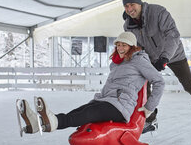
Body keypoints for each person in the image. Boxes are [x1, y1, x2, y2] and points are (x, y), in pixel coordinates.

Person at [17, 32, 164, 134]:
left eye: (124, 45)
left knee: (87, 113)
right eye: (118, 45)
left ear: (132, 46)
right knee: (78, 112)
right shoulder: (116, 64)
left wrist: (149, 107)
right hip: (105, 100)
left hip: (120, 106)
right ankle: (38, 124)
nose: (120, 48)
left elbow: (159, 81)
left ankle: (51, 122)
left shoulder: (139, 60)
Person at [122, 0, 191, 133]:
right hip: (151, 58)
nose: (129, 9)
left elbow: (173, 34)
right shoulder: (128, 25)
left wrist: (165, 57)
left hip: (174, 54)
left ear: (139, 3)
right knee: (143, 89)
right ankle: (150, 120)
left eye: (132, 4)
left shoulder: (158, 12)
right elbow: (133, 45)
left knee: (189, 86)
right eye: (126, 6)